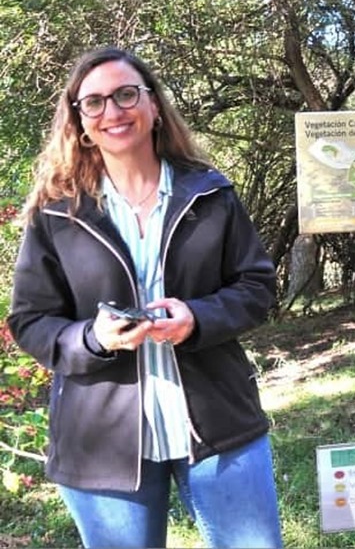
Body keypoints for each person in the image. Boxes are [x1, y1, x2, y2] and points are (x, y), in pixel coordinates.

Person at [8, 47, 284, 548]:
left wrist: (197, 318)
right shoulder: (56, 214)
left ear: (154, 105)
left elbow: (257, 287)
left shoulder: (210, 194)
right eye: (94, 102)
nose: (112, 111)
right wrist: (93, 339)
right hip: (101, 442)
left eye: (126, 94)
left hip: (219, 423)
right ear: (80, 121)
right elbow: (31, 321)